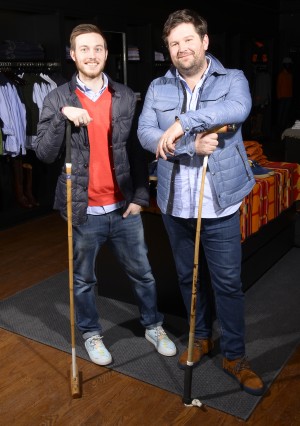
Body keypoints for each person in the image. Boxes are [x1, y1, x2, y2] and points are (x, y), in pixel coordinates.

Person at [138, 9, 264, 396]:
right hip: (175, 203)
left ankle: (235, 356)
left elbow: (236, 110)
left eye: (188, 40)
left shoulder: (233, 79)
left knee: (227, 282)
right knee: (189, 279)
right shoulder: (159, 87)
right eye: (174, 43)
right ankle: (201, 337)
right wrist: (192, 143)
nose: (181, 48)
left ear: (204, 42)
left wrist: (181, 124)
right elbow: (146, 134)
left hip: (220, 204)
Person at [34, 23, 176, 366]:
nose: (91, 55)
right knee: (83, 281)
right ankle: (91, 333)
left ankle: (153, 325)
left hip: (123, 208)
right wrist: (62, 118)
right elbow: (43, 152)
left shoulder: (126, 96)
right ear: (72, 55)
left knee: (143, 273)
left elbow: (137, 153)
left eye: (97, 48)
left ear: (106, 53)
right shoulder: (56, 98)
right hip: (83, 210)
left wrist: (141, 197)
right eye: (84, 49)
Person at [276, 56, 294, 134]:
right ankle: (279, 129)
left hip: (288, 97)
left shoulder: (290, 75)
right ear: (286, 65)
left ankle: (282, 128)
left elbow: (291, 86)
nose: (289, 66)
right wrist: (279, 96)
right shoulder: (281, 75)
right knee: (281, 114)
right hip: (282, 97)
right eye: (288, 64)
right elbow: (278, 86)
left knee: (285, 114)